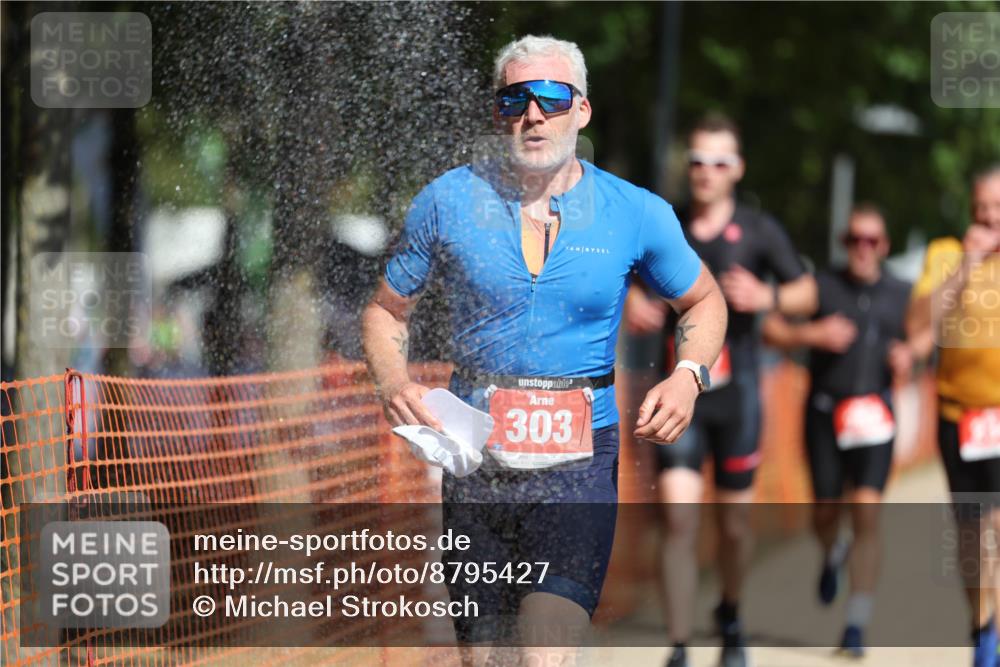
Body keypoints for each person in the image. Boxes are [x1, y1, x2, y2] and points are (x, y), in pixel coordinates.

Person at [361, 35, 727, 666]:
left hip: (580, 462)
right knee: (487, 658)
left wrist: (688, 374)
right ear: (498, 112)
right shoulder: (448, 201)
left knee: (544, 648)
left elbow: (704, 300)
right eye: (516, 99)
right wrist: (393, 381)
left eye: (552, 98)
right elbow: (385, 311)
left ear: (581, 111)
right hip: (474, 460)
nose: (534, 114)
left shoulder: (634, 212)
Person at [626, 113, 817, 667]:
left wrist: (767, 296)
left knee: (734, 527)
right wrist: (631, 305)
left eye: (719, 162)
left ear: (737, 170)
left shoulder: (758, 231)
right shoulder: (666, 223)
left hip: (739, 400)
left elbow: (805, 291)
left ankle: (731, 614)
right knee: (679, 521)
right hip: (678, 398)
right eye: (697, 161)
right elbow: (622, 283)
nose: (705, 172)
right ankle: (680, 644)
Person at [761, 203, 915, 657]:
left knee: (867, 512)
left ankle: (856, 624)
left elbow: (925, 335)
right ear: (844, 243)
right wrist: (812, 336)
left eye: (872, 241)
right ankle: (833, 551)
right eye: (854, 240)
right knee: (826, 513)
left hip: (876, 417)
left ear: (885, 246)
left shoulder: (902, 293)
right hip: (825, 414)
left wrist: (908, 354)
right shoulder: (821, 287)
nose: (863, 249)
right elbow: (770, 324)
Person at [906, 165, 1000, 667]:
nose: (989, 216)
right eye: (982, 206)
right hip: (958, 415)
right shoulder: (945, 254)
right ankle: (981, 625)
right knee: (970, 535)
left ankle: (995, 637)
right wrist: (967, 264)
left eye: (998, 208)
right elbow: (918, 322)